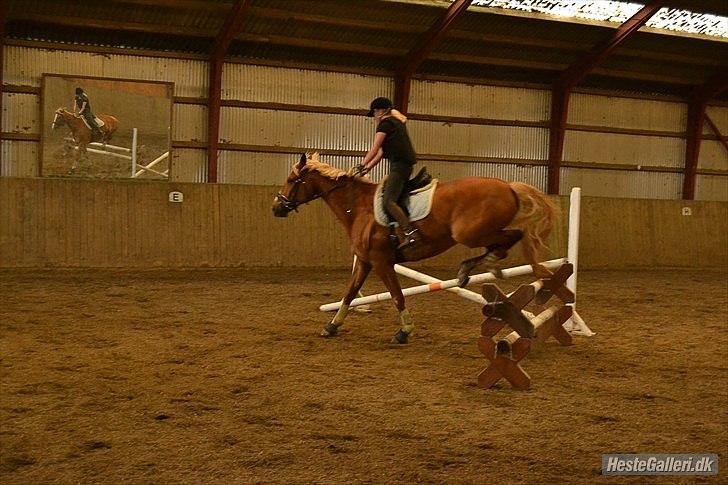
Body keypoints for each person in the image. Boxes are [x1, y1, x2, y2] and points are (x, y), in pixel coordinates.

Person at [356, 96, 421, 249]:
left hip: (400, 167)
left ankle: (410, 233)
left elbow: (374, 147)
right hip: (402, 166)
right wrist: (366, 169)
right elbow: (379, 154)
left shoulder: (385, 125)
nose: (373, 118)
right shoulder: (395, 124)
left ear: (381, 111)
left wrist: (361, 164)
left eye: (374, 113)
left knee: (388, 201)